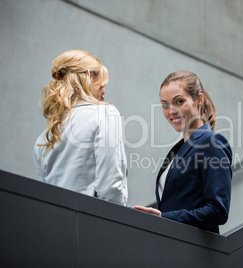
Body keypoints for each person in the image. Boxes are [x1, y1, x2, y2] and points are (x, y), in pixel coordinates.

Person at [135, 70, 232, 234]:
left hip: (194, 251)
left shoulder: (212, 142)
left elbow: (218, 210)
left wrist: (164, 218)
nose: (171, 111)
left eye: (179, 101)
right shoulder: (178, 149)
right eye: (165, 105)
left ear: (199, 100)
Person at [33, 50, 128, 206]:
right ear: (89, 76)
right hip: (94, 223)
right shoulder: (105, 113)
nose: (104, 93)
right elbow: (110, 187)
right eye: (102, 85)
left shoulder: (43, 139)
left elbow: (45, 198)